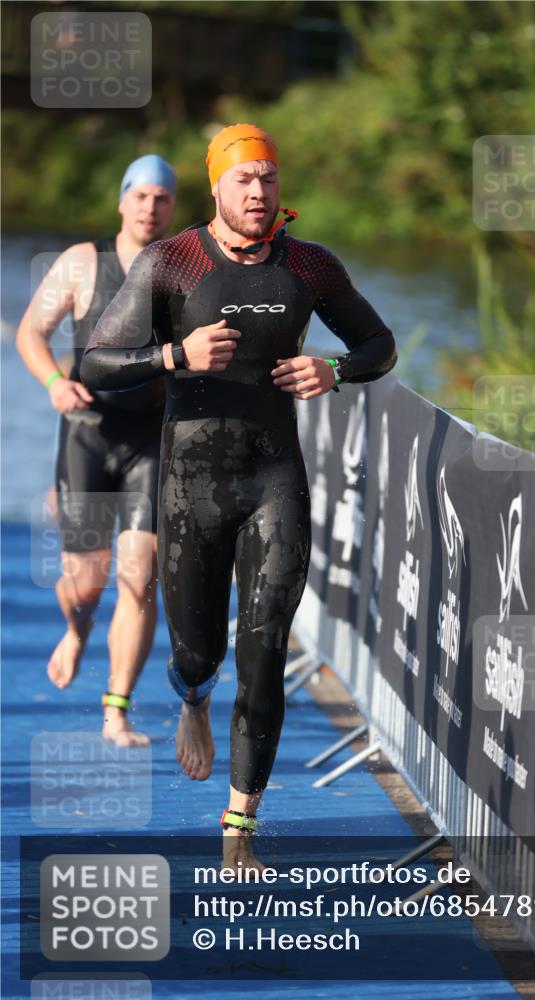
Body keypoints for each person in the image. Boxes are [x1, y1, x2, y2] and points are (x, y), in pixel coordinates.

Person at [80, 124, 396, 865]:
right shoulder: (173, 262)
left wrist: (336, 371)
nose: (258, 193)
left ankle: (239, 828)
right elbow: (95, 363)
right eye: (243, 180)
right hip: (190, 485)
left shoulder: (308, 266)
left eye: (269, 180)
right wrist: (172, 355)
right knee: (199, 648)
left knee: (263, 651)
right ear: (216, 188)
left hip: (273, 479)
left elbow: (377, 344)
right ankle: (191, 696)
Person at [16, 155, 177, 747]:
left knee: (139, 579)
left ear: (173, 207)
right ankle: (77, 629)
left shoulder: (185, 268)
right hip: (87, 436)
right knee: (86, 585)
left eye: (162, 198)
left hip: (150, 441)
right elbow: (32, 332)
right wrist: (55, 383)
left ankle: (117, 711)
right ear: (122, 201)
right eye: (141, 196)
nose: (150, 207)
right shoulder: (82, 263)